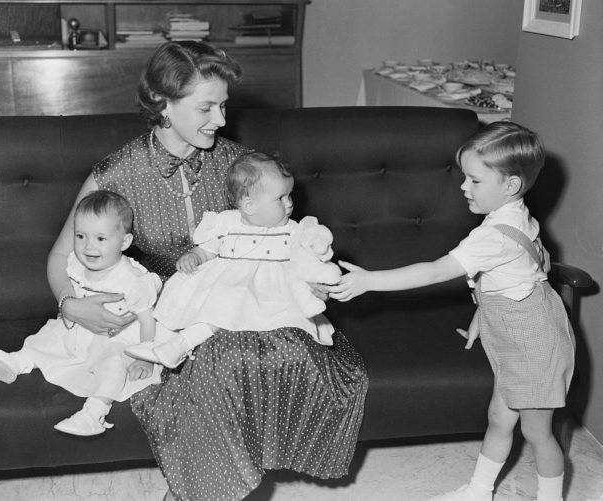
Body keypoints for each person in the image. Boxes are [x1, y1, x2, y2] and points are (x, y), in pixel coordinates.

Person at [46, 41, 368, 501]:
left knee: (253, 356)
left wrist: (314, 278)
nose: (220, 119)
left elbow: (282, 241)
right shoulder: (115, 173)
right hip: (160, 315)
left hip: (244, 312)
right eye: (206, 107)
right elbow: (61, 258)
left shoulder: (242, 167)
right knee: (221, 362)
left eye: (223, 105)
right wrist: (71, 303)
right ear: (162, 104)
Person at [329, 121, 574, 501]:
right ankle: (478, 490)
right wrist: (483, 315)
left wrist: (370, 281)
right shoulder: (514, 216)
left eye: (475, 180)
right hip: (518, 332)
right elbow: (520, 275)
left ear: (509, 186)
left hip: (534, 343)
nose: (463, 187)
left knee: (537, 432)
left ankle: (551, 497)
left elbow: (435, 271)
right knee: (498, 419)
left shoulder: (493, 236)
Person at [0, 190, 163, 436]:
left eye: (101, 239)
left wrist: (145, 357)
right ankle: (16, 362)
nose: (88, 246)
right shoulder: (75, 264)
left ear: (124, 242)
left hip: (115, 340)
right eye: (81, 236)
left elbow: (148, 321)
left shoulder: (133, 279)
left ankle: (93, 412)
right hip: (79, 330)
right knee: (47, 336)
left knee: (113, 366)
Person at [124, 152, 341, 368]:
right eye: (280, 198)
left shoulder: (292, 230)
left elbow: (307, 263)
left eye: (289, 195)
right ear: (249, 206)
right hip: (229, 289)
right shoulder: (226, 223)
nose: (289, 204)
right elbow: (207, 250)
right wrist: (194, 256)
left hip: (273, 297)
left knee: (286, 324)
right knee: (212, 305)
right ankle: (173, 344)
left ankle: (182, 345)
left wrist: (317, 281)